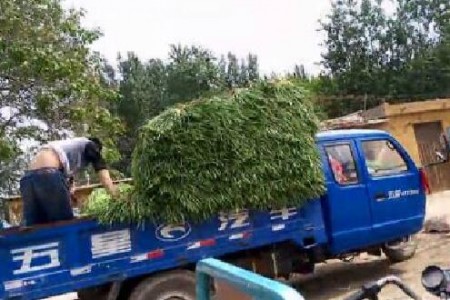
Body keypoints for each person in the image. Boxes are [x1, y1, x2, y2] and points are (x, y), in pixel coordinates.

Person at [19, 137, 118, 226]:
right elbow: (102, 172)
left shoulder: (65, 151)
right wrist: (115, 196)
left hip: (27, 180)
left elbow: (68, 185)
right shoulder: (89, 144)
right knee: (64, 224)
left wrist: (70, 196)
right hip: (47, 174)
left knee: (34, 227)